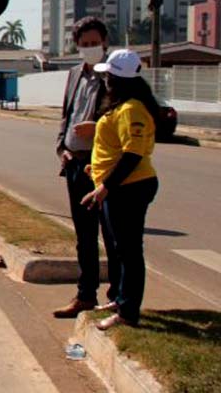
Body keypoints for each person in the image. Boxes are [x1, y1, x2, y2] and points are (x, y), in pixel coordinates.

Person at [81, 49, 160, 330]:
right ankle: (121, 299)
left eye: (108, 76)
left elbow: (133, 154)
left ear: (118, 79)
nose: (105, 80)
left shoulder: (132, 110)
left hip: (130, 188)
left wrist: (105, 186)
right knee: (118, 249)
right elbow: (115, 148)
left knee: (129, 252)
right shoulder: (121, 106)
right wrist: (98, 170)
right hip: (118, 186)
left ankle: (128, 312)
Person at [52, 16, 119, 319]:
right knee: (84, 236)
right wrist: (62, 149)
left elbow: (123, 117)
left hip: (102, 167)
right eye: (85, 44)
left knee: (111, 234)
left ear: (105, 42)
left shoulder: (115, 76)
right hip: (75, 164)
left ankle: (116, 296)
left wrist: (98, 126)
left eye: (95, 43)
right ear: (77, 46)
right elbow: (67, 113)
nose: (90, 48)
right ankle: (85, 295)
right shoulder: (75, 73)